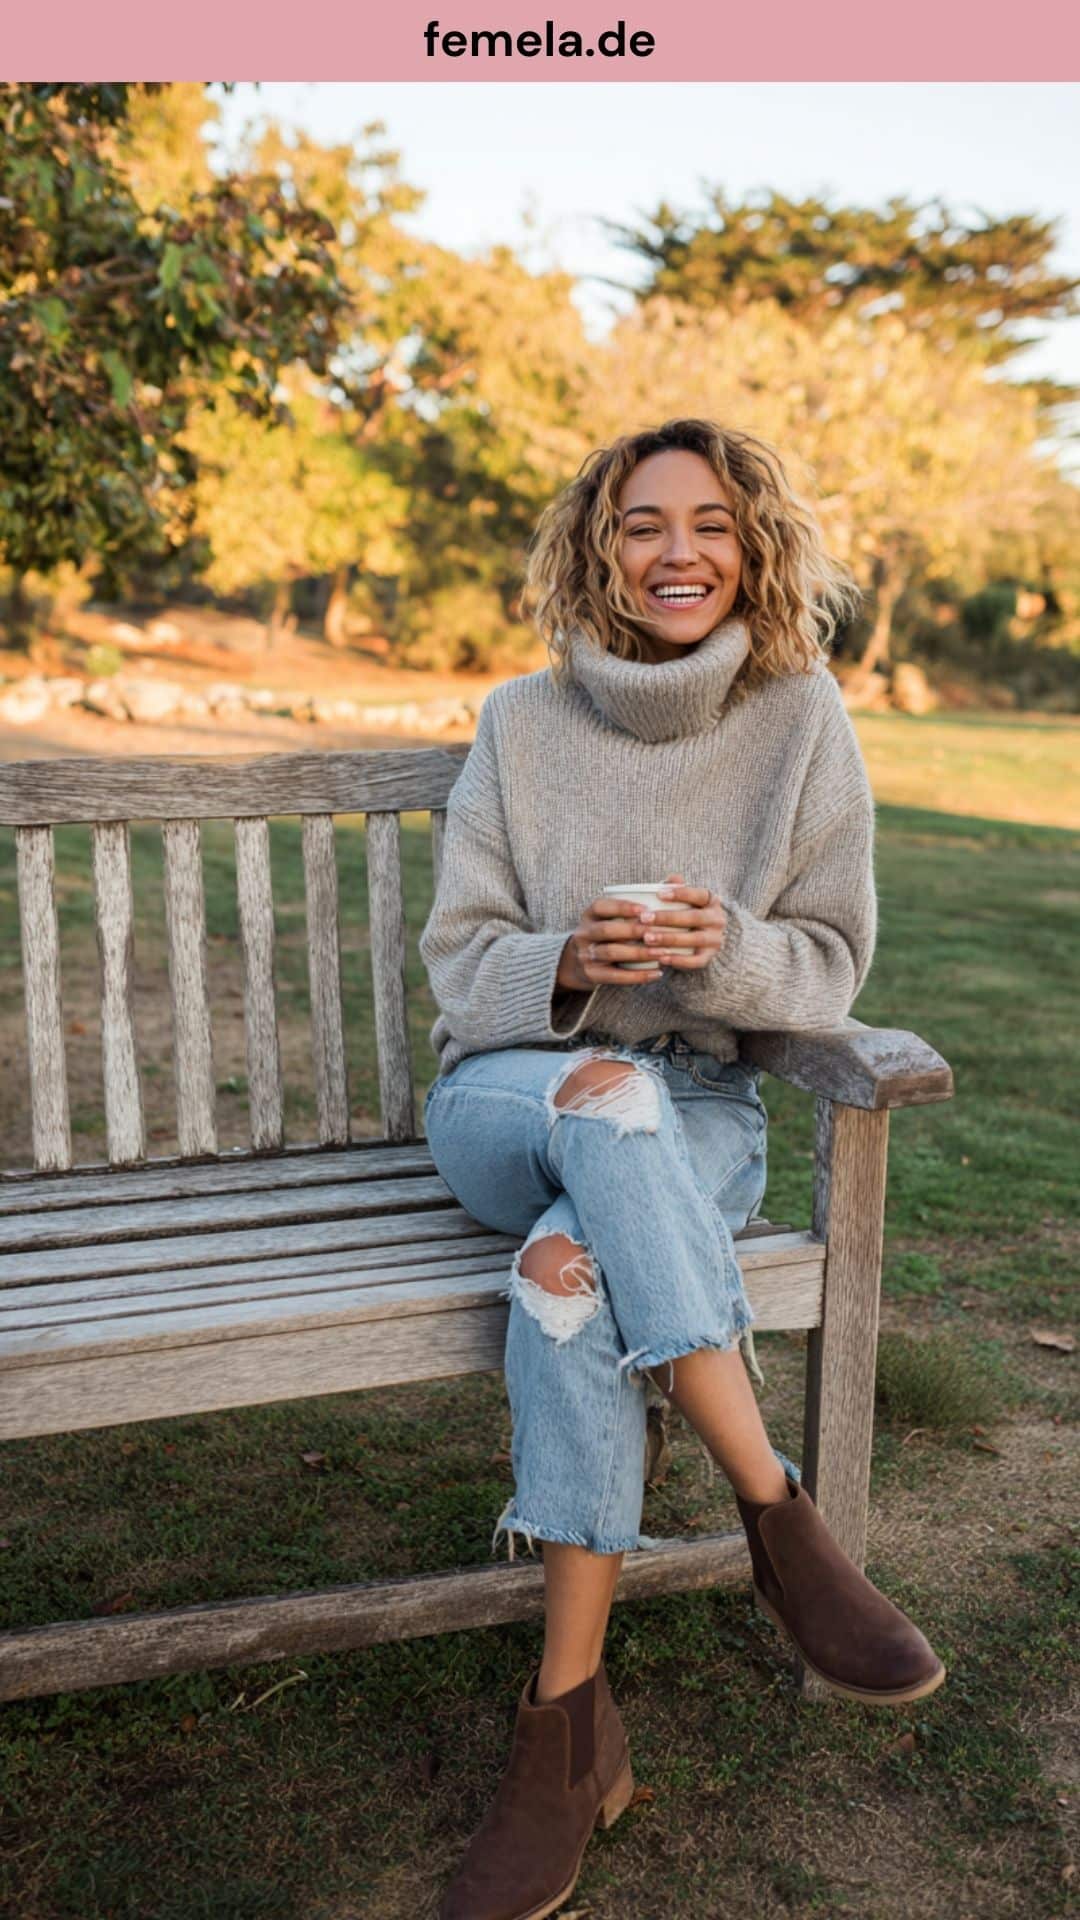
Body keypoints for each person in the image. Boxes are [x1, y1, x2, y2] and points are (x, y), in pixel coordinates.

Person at [419, 417, 945, 1920]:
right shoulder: (522, 723)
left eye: (709, 523)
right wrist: (568, 961)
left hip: (699, 1106)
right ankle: (777, 1511)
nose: (676, 552)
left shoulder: (801, 723)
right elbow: (460, 971)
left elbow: (833, 966)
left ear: (751, 545)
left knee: (568, 1284)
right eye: (643, 523)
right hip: (512, 1093)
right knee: (599, 1096)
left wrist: (732, 954)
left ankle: (565, 1737)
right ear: (601, 546)